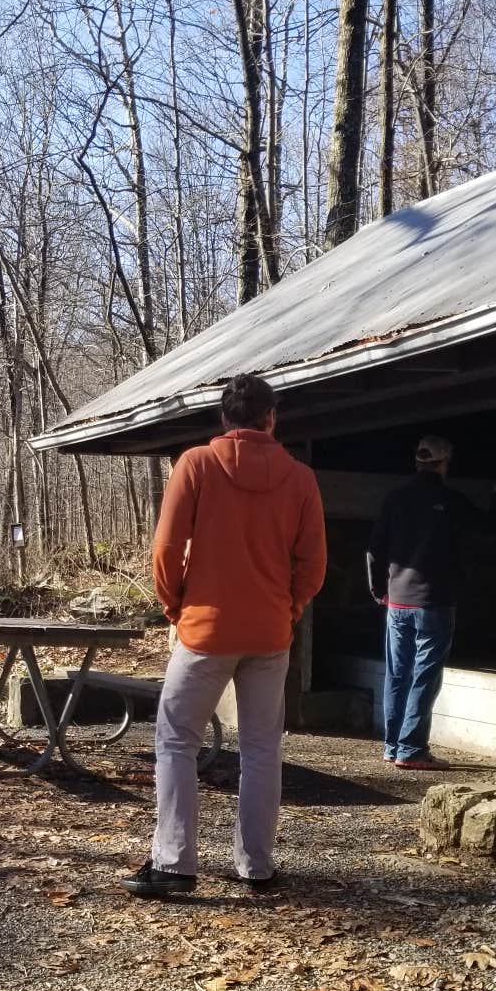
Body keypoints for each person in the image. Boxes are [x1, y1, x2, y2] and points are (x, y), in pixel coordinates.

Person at [124, 372, 327, 899]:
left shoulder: (196, 464)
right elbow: (314, 564)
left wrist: (175, 604)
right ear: (271, 418)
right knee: (261, 749)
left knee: (175, 742)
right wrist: (291, 606)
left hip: (204, 630)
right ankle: (256, 867)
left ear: (223, 418)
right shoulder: (300, 478)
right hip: (268, 631)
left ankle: (174, 864)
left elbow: (166, 549)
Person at [366, 434, 496, 769]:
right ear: (445, 463)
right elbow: (490, 528)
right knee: (424, 675)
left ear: (417, 461)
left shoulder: (394, 499)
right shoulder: (450, 500)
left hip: (397, 602)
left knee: (397, 674)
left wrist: (379, 592)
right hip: (434, 602)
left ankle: (392, 745)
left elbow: (374, 549)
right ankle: (412, 748)